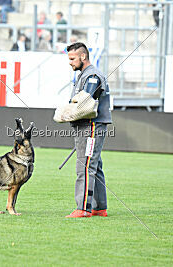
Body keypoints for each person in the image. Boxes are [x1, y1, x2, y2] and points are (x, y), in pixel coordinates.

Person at [65, 42, 112, 218]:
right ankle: (99, 207)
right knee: (95, 165)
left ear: (83, 56)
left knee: (85, 165)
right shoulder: (84, 75)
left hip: (91, 126)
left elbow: (85, 101)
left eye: (72, 59)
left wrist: (66, 114)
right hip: (87, 126)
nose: (70, 62)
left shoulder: (92, 76)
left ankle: (83, 208)